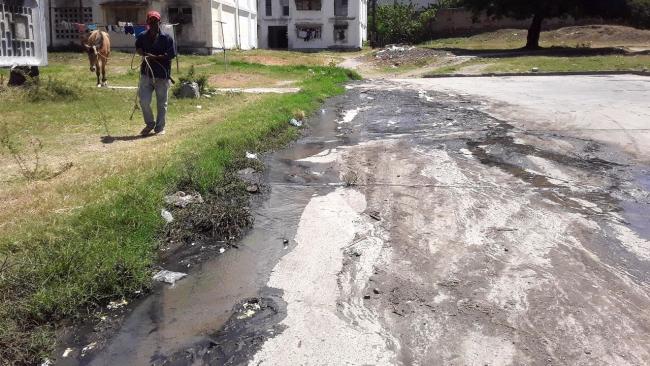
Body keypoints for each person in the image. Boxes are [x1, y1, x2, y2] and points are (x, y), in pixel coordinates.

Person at [136, 10, 176, 136]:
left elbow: (171, 55)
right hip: (146, 74)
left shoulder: (167, 38)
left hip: (162, 76)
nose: (153, 23)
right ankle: (149, 123)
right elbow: (138, 48)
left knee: (161, 103)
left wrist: (155, 57)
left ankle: (159, 128)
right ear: (147, 22)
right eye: (151, 21)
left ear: (159, 22)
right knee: (144, 101)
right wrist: (142, 52)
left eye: (155, 21)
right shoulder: (142, 36)